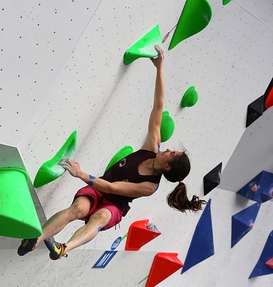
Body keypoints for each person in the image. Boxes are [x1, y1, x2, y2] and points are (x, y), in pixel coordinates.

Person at [17, 45, 206, 260]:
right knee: (78, 209)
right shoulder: (152, 147)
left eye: (172, 154)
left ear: (168, 166)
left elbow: (111, 187)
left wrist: (81, 174)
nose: (169, 149)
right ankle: (36, 239)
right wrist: (159, 68)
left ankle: (64, 248)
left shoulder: (149, 186)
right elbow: (158, 105)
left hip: (113, 204)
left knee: (99, 217)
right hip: (98, 190)